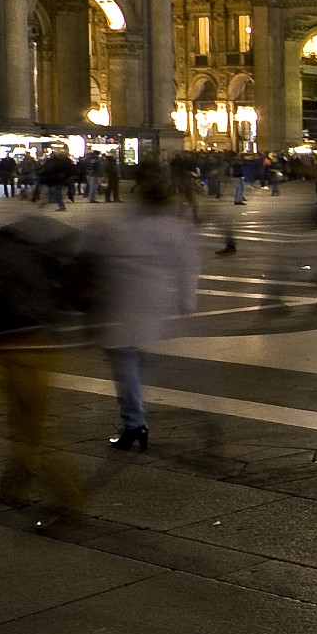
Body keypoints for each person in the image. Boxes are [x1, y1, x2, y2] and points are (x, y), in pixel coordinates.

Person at [0, 212, 92, 525]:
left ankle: (67, 495)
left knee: (25, 423)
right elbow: (76, 294)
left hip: (5, 344)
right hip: (41, 343)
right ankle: (16, 486)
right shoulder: (49, 252)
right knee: (30, 420)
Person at [86, 162, 200, 451]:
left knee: (123, 357)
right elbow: (187, 265)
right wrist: (187, 300)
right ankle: (135, 414)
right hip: (153, 299)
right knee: (131, 354)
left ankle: (135, 423)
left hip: (123, 298)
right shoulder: (174, 225)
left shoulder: (124, 221)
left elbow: (100, 257)